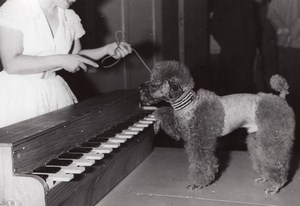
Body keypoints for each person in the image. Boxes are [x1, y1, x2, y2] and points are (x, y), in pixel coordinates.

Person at [0, 0, 132, 128]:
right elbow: (11, 63)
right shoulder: (16, 8)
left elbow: (75, 56)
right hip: (18, 94)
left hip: (53, 91)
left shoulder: (68, 16)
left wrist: (105, 50)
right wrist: (60, 60)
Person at [209, 0, 257, 94]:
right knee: (244, 87)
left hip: (229, 50)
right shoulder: (248, 4)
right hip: (244, 50)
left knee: (228, 86)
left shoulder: (222, 3)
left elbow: (213, 25)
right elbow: (252, 30)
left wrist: (223, 42)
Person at [254, 0, 278, 92]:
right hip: (265, 40)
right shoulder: (263, 8)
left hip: (265, 41)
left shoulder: (265, 8)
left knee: (267, 67)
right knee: (267, 67)